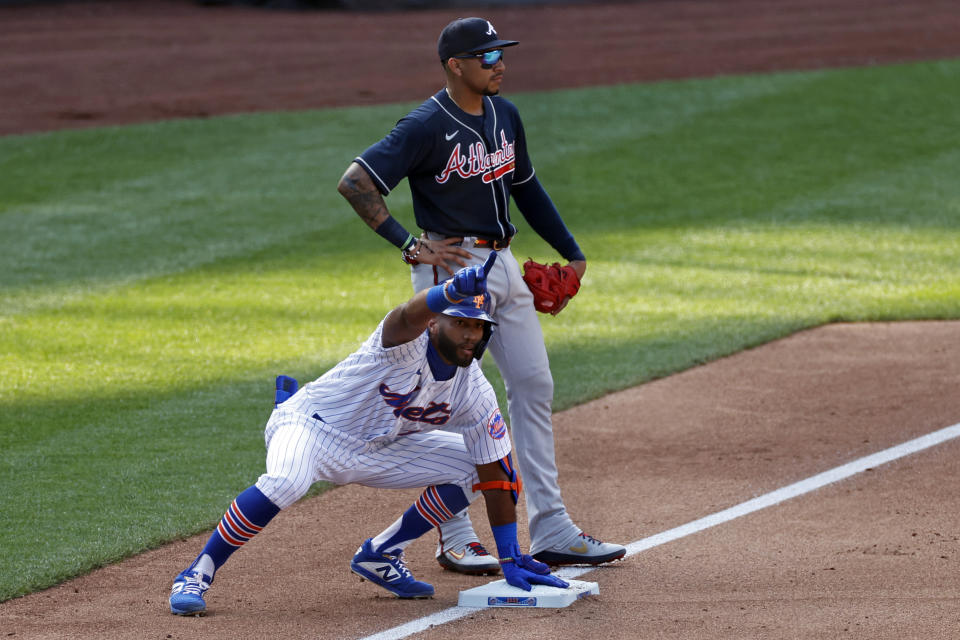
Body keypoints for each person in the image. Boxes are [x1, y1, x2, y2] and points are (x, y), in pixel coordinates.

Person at [337, 17, 625, 575]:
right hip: (452, 271)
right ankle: (455, 535)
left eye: (500, 53)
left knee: (534, 384)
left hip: (505, 262)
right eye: (488, 55)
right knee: (447, 398)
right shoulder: (424, 125)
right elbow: (356, 181)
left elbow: (525, 186)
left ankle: (552, 528)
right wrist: (408, 244)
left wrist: (571, 251)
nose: (499, 63)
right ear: (456, 65)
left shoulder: (505, 114)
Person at [168, 253, 569, 616]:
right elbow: (404, 316)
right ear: (435, 322)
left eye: (477, 327)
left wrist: (510, 555)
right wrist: (445, 290)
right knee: (287, 482)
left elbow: (496, 473)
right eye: (459, 322)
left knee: (474, 467)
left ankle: (382, 553)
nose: (469, 335)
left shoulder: (475, 391)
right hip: (311, 427)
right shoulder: (403, 345)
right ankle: (196, 572)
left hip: (380, 447)